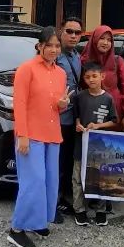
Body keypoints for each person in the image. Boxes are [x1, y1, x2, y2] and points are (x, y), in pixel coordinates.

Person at [7, 27, 71, 247]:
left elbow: (55, 105)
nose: (53, 49)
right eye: (49, 45)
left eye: (57, 46)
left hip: (52, 133)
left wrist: (62, 105)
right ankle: (16, 229)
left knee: (50, 181)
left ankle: (38, 222)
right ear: (39, 46)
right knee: (33, 181)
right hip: (31, 134)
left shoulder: (61, 73)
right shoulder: (26, 69)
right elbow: (20, 104)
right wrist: (22, 134)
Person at [71, 61, 119, 227]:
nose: (91, 79)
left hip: (100, 147)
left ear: (102, 76)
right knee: (77, 178)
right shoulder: (79, 97)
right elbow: (76, 117)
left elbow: (114, 121)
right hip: (81, 145)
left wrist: (98, 126)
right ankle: (79, 210)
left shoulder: (108, 98)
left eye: (94, 76)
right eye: (87, 77)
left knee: (100, 178)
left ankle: (100, 210)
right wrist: (78, 124)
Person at [54, 16, 83, 219]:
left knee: (66, 162)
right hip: (57, 118)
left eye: (77, 33)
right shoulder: (54, 56)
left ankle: (63, 198)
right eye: (69, 31)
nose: (73, 36)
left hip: (74, 118)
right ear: (60, 31)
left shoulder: (76, 56)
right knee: (56, 162)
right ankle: (52, 203)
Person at [80, 25, 124, 131]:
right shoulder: (83, 61)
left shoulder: (117, 61)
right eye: (102, 38)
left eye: (109, 40)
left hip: (114, 111)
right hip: (90, 110)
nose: (105, 43)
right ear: (94, 39)